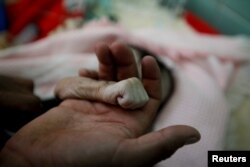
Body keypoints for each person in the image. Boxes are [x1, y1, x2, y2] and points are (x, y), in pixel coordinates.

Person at [0, 41, 200, 167]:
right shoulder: (64, 102)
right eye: (134, 76)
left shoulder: (131, 154)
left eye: (150, 93)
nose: (134, 85)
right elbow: (59, 89)